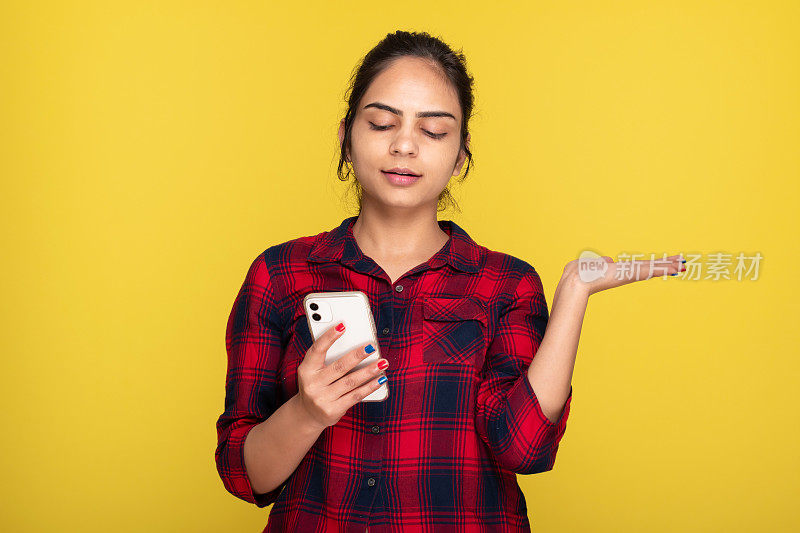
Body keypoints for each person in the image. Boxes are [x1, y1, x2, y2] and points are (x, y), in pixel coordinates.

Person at [215, 30, 685, 532]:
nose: (403, 145)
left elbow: (522, 447)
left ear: (461, 155)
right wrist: (308, 412)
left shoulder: (506, 284)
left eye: (434, 132)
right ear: (345, 137)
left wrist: (574, 292)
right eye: (381, 123)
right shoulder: (282, 272)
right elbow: (246, 478)